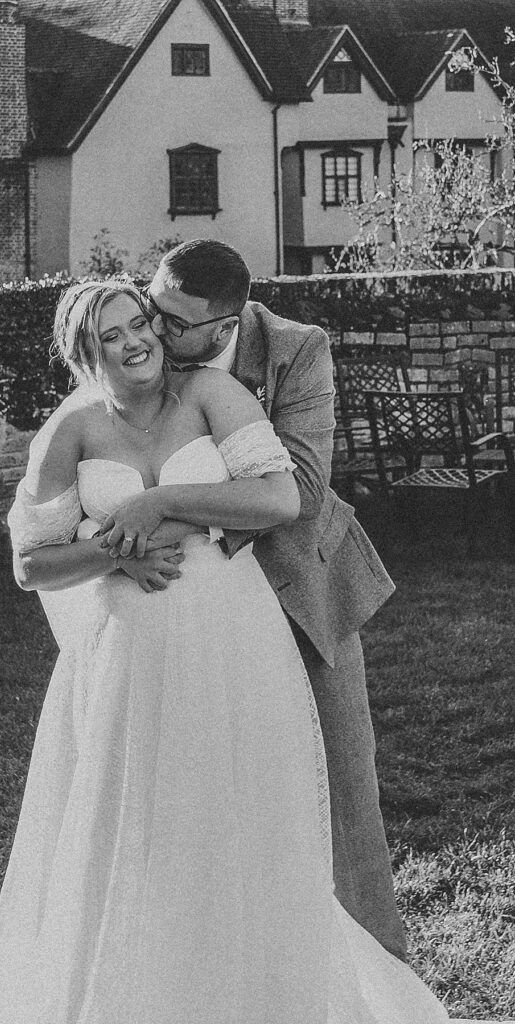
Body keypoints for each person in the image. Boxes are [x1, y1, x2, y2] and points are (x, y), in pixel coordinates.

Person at [0, 277, 455, 1024]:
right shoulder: (70, 430)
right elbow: (32, 564)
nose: (136, 343)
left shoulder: (209, 396)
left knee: (246, 808)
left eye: (140, 325)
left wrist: (156, 506)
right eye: (112, 336)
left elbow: (278, 499)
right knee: (138, 822)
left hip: (233, 633)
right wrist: (112, 553)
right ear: (83, 353)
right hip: (130, 649)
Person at [138, 239, 408, 963]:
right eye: (151, 304)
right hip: (189, 608)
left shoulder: (295, 350)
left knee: (342, 793)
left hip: (301, 592)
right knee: (214, 793)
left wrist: (165, 507)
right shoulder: (143, 336)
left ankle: (375, 976)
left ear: (225, 327)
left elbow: (304, 493)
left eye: (174, 322)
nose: (153, 330)